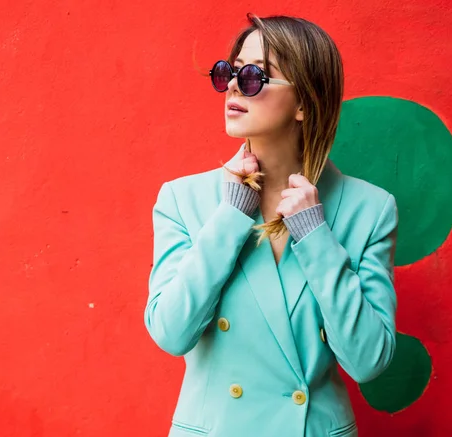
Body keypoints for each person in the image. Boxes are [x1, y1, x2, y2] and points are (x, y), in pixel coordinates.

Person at [144, 13, 398, 437]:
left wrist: (315, 235)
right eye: (228, 71)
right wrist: (230, 217)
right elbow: (171, 333)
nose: (230, 86)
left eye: (253, 77)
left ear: (304, 102)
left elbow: (369, 361)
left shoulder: (369, 209)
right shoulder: (182, 199)